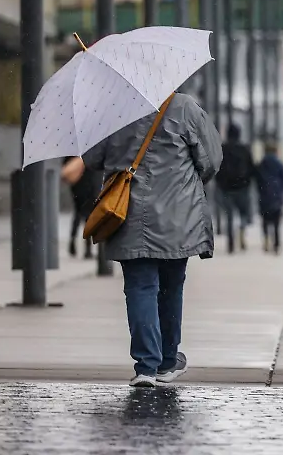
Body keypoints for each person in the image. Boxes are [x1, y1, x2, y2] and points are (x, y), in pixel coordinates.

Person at [83, 93, 223, 388]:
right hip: (178, 215)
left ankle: (146, 365)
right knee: (171, 286)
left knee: (139, 287)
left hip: (128, 214)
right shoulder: (184, 107)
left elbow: (92, 158)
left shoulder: (113, 109)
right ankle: (168, 361)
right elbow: (211, 160)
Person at [217, 124, 254, 253]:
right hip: (242, 187)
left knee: (229, 216)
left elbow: (217, 168)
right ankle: (242, 230)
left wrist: (220, 183)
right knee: (243, 213)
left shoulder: (222, 149)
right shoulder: (244, 149)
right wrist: (248, 181)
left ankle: (231, 241)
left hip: (226, 188)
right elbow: (251, 168)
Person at [62, 156, 99, 259]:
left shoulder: (71, 152)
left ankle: (72, 243)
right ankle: (87, 249)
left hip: (76, 187)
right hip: (88, 186)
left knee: (78, 214)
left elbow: (65, 170)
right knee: (88, 218)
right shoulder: (89, 151)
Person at [254, 141, 283, 254]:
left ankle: (266, 239)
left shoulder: (261, 164)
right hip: (276, 195)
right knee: (276, 222)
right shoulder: (279, 163)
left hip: (264, 195)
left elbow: (257, 179)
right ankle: (276, 243)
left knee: (265, 220)